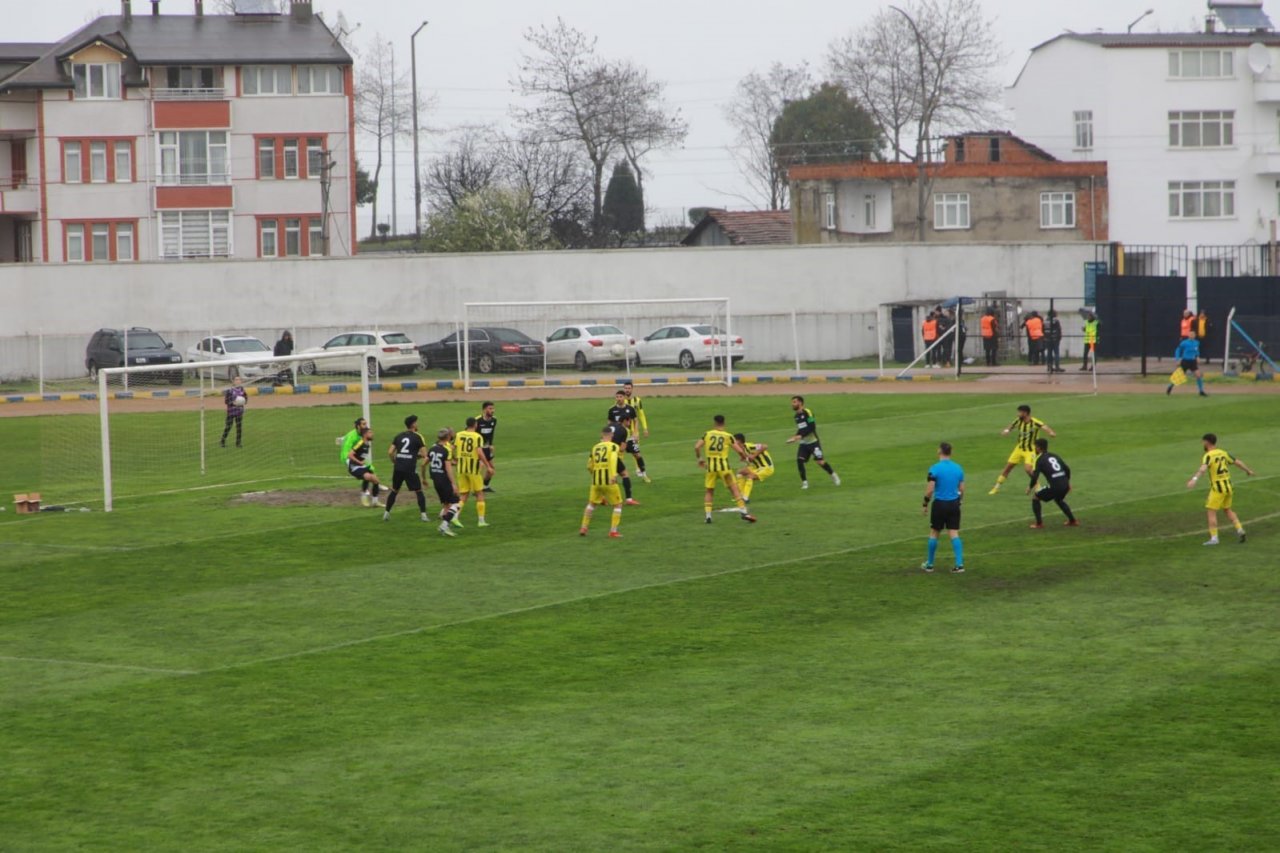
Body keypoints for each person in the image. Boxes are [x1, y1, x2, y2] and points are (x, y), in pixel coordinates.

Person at [1186, 433, 1255, 545]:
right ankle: (1239, 529)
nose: (1202, 443)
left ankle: (1214, 538)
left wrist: (1194, 479)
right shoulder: (1223, 453)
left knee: (1211, 512)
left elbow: (1203, 469)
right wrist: (1248, 471)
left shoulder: (1208, 455)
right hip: (1228, 486)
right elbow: (1237, 462)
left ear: (1207, 442)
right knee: (1227, 509)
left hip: (1218, 489)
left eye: (1203, 441)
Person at [694, 414, 756, 524]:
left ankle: (708, 517)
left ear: (714, 423)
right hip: (724, 468)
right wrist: (743, 457)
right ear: (724, 423)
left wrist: (700, 459)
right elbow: (740, 451)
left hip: (711, 468)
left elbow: (697, 447)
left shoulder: (707, 434)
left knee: (709, 491)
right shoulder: (728, 436)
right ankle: (744, 512)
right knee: (734, 489)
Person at [989, 404, 1056, 494]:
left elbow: (1044, 426)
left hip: (1030, 450)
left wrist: (1051, 432)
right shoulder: (1018, 420)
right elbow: (1011, 425)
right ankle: (996, 487)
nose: (1018, 414)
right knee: (1008, 467)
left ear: (1025, 413)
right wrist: (1007, 430)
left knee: (1028, 469)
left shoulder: (1034, 422)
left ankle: (1037, 486)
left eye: (1020, 412)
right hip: (1019, 448)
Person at [921, 441, 965, 574]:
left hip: (940, 504)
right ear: (951, 452)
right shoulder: (958, 468)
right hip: (954, 504)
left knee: (934, 532)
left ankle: (929, 564)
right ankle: (959, 564)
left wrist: (925, 503)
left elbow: (930, 489)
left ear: (939, 451)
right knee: (954, 533)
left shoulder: (935, 468)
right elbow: (962, 489)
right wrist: (959, 501)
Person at [382, 414, 429, 523]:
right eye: (416, 422)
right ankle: (424, 516)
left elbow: (390, 452)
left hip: (398, 467)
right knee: (418, 491)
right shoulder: (418, 437)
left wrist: (394, 461)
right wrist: (416, 455)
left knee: (394, 490)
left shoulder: (399, 436)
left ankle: (386, 514)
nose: (417, 424)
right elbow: (425, 455)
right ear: (413, 424)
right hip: (410, 468)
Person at [787, 395, 841, 489]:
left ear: (800, 403)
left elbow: (812, 427)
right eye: (792, 402)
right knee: (800, 460)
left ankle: (833, 475)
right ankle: (805, 483)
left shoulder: (808, 412)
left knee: (820, 462)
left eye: (794, 402)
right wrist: (795, 437)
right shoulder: (796, 417)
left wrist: (799, 436)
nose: (792, 404)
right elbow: (801, 429)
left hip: (813, 442)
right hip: (804, 443)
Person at [580, 426, 624, 538]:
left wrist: (594, 473)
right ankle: (613, 531)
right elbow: (613, 459)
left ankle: (584, 527)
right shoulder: (613, 446)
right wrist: (613, 475)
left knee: (591, 504)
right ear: (611, 435)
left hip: (596, 481)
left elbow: (589, 465)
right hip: (609, 481)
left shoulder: (595, 447)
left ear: (602, 435)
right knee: (618, 505)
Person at [452, 417, 495, 527]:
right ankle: (481, 521)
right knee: (479, 493)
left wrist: (453, 459)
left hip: (461, 469)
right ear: (475, 424)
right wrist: (488, 466)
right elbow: (479, 453)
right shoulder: (477, 436)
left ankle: (455, 517)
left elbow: (451, 448)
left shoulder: (459, 434)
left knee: (464, 494)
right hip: (473, 469)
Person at [1027, 438, 1077, 527]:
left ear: (1038, 448)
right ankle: (1072, 521)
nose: (1034, 449)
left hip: (1055, 486)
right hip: (1064, 484)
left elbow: (1035, 476)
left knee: (1035, 497)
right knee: (1058, 499)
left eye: (1035, 447)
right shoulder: (1054, 455)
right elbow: (1067, 469)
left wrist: (1030, 487)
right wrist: (1068, 482)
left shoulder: (1039, 459)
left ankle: (1039, 524)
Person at [425, 428, 462, 537]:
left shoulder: (432, 448)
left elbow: (423, 464)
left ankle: (445, 527)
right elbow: (448, 468)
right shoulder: (447, 449)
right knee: (456, 503)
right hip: (444, 479)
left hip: (436, 480)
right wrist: (453, 484)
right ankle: (444, 525)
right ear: (448, 437)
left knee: (446, 504)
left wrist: (423, 477)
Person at [606, 390, 641, 504]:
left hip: (604, 451)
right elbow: (621, 449)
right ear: (626, 421)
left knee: (605, 475)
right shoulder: (624, 430)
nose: (618, 398)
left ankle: (601, 497)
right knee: (622, 474)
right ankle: (627, 499)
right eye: (617, 396)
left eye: (620, 396)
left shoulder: (609, 429)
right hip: (614, 455)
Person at [621, 380, 650, 482]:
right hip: (622, 432)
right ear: (623, 389)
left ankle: (639, 470)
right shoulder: (621, 400)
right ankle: (617, 470)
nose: (627, 390)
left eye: (629, 388)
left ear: (632, 389)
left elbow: (641, 415)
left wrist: (645, 428)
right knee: (620, 451)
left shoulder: (637, 400)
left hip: (634, 431)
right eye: (626, 388)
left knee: (636, 451)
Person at [346, 426, 382, 508]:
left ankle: (375, 502)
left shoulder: (367, 444)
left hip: (361, 466)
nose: (372, 434)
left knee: (376, 480)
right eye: (370, 433)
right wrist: (359, 462)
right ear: (365, 434)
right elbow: (350, 455)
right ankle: (363, 496)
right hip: (354, 467)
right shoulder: (360, 443)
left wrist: (362, 463)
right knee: (368, 477)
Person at [732, 432, 773, 503]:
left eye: (735, 441)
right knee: (740, 472)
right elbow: (748, 459)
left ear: (740, 441)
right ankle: (740, 496)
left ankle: (745, 498)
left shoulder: (749, 446)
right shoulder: (742, 450)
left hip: (766, 467)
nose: (733, 443)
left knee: (750, 476)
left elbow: (764, 446)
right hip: (756, 467)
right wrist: (744, 458)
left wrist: (754, 455)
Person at [476, 401, 497, 492]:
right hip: (478, 448)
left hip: (487, 448)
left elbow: (491, 433)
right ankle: (476, 488)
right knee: (479, 468)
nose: (492, 410)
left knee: (491, 469)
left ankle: (485, 486)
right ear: (484, 410)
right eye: (490, 408)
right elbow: (469, 432)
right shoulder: (477, 420)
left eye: (493, 408)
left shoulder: (494, 420)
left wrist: (491, 444)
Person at [220, 380, 246, 448]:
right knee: (228, 427)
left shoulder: (242, 390)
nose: (238, 381)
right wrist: (233, 403)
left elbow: (245, 400)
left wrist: (242, 402)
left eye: (239, 380)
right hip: (231, 412)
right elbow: (226, 401)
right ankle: (222, 441)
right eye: (236, 380)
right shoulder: (230, 391)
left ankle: (238, 443)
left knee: (239, 428)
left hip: (239, 412)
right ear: (233, 382)